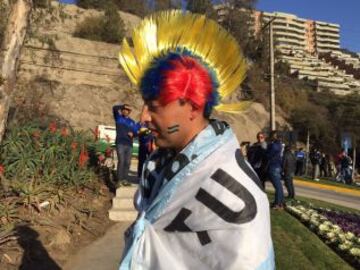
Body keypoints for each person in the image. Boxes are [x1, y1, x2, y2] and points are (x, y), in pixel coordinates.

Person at [117, 11, 274, 270]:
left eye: (154, 107)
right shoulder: (161, 162)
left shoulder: (234, 193)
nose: (143, 117)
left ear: (192, 108)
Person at [112, 103, 138, 186]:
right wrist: (123, 105)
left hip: (129, 144)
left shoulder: (132, 122)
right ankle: (119, 180)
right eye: (124, 110)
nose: (125, 111)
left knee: (127, 162)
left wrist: (133, 134)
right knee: (121, 161)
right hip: (120, 143)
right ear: (122, 110)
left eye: (127, 110)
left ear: (129, 112)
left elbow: (136, 132)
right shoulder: (118, 118)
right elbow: (114, 108)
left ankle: (125, 179)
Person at [266, 130, 284, 209]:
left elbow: (268, 155)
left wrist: (265, 150)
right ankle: (280, 203)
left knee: (278, 187)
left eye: (272, 135)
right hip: (277, 167)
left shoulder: (274, 145)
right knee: (279, 186)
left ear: (275, 136)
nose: (271, 136)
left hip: (273, 167)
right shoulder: (279, 144)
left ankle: (277, 204)